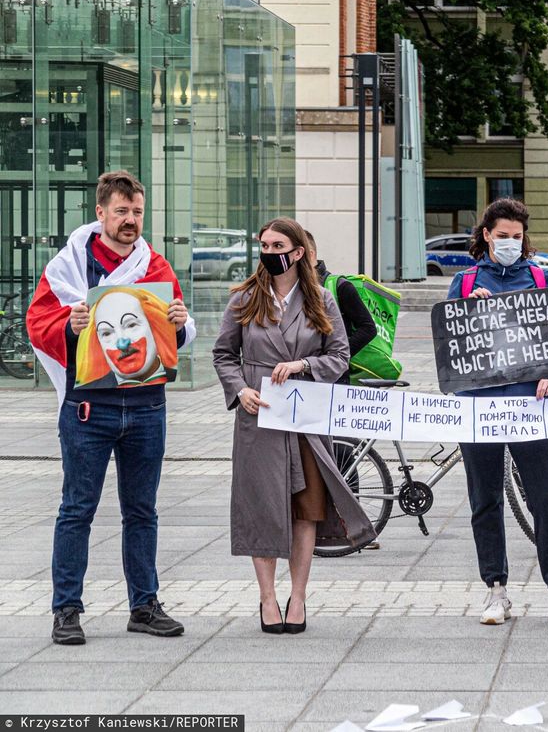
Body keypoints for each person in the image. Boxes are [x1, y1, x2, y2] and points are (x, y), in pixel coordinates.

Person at [27, 171, 195, 646]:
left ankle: (144, 605)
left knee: (142, 511)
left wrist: (180, 323)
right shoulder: (68, 268)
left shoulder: (155, 267)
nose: (130, 221)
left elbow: (174, 335)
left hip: (146, 407)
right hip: (89, 408)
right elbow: (38, 321)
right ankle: (66, 610)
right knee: (77, 510)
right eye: (121, 211)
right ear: (100, 213)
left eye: (137, 211)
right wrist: (72, 323)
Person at [212, 218, 375, 634]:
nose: (269, 251)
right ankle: (267, 597)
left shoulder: (321, 299)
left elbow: (339, 355)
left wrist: (304, 364)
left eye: (278, 244)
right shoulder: (245, 299)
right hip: (260, 416)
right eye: (263, 244)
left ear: (298, 252)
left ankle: (298, 596)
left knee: (307, 510)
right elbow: (223, 354)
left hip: (305, 416)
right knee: (263, 506)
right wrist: (239, 390)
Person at [445, 198, 548, 629]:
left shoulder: (542, 277)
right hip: (478, 409)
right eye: (502, 237)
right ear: (486, 235)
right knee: (484, 500)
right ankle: (496, 590)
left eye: (517, 237)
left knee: (546, 498)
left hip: (530, 406)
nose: (510, 244)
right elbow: (450, 349)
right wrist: (471, 312)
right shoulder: (465, 283)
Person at [303, 231, 376, 382]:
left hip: (334, 378)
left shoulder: (341, 287)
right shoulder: (292, 287)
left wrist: (336, 357)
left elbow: (368, 328)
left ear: (310, 255)